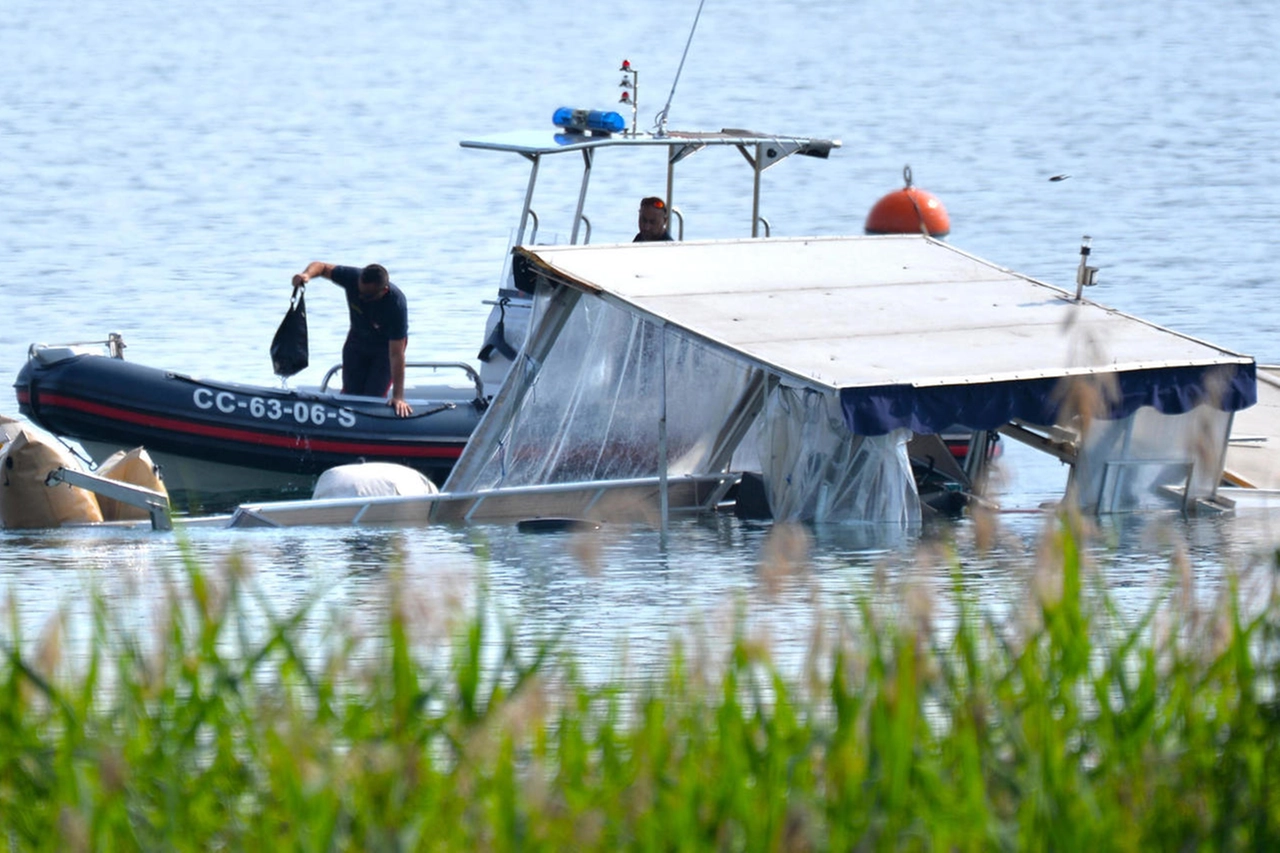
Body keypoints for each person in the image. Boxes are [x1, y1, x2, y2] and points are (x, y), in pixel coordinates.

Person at [291, 261, 413, 417]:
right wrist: (306, 275)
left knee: (371, 397)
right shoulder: (352, 278)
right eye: (359, 292)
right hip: (357, 341)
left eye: (367, 296)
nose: (360, 297)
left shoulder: (396, 304)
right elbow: (321, 267)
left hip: (385, 349)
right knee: (351, 393)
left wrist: (398, 397)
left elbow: (396, 354)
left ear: (384, 291)